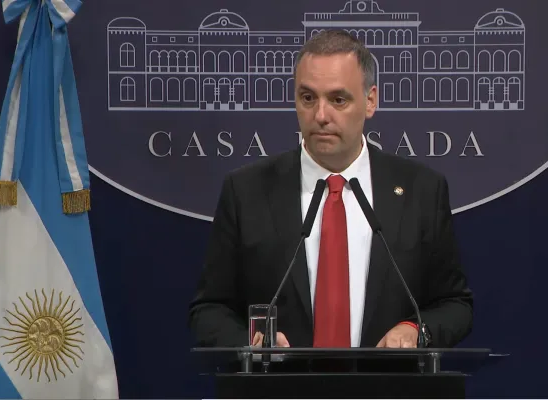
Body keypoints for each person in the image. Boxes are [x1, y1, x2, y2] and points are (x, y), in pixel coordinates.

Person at [189, 30, 472, 349]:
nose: (321, 116)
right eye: (308, 98)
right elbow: (209, 310)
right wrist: (254, 345)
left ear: (370, 101)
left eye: (338, 100)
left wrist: (415, 330)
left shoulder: (421, 190)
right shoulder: (246, 191)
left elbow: (454, 305)